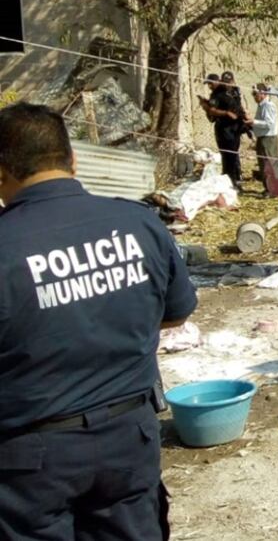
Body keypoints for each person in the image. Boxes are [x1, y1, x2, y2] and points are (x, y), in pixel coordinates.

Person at [0, 103, 197, 539]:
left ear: (2, 171)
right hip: (129, 440)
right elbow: (176, 313)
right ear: (73, 159)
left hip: (31, 461)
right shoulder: (138, 222)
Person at [198, 71, 244, 188]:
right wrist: (206, 106)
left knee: (230, 155)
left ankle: (233, 180)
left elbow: (213, 112)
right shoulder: (222, 94)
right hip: (227, 129)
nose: (210, 86)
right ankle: (231, 179)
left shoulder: (233, 92)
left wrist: (208, 108)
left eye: (211, 83)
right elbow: (212, 114)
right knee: (228, 155)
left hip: (232, 129)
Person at [246, 83, 278, 195]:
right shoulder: (261, 105)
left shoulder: (268, 105)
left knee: (269, 164)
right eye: (253, 94)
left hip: (268, 139)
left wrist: (253, 122)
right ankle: (268, 188)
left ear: (263, 93)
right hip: (262, 138)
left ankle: (273, 189)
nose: (254, 97)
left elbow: (269, 124)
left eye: (256, 94)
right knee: (263, 164)